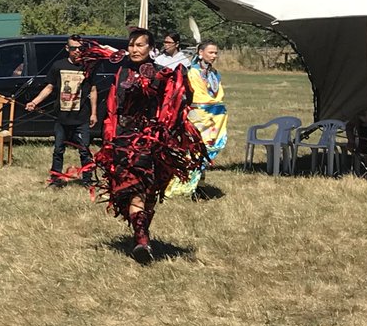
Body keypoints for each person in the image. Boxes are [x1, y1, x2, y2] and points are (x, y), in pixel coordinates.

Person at [84, 28, 205, 263]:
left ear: (151, 48)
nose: (134, 49)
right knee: (133, 191)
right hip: (123, 141)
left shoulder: (162, 74)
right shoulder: (121, 72)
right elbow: (113, 108)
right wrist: (108, 139)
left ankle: (142, 236)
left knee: (148, 194)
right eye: (131, 45)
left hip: (152, 143)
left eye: (140, 45)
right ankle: (142, 241)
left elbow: (176, 103)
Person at [25, 34, 99, 188]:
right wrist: (34, 102)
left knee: (84, 150)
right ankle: (56, 178)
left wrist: (94, 113)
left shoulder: (88, 67)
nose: (77, 51)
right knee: (58, 149)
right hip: (62, 116)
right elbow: (49, 87)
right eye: (73, 48)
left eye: (81, 48)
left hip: (81, 117)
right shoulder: (58, 66)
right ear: (67, 49)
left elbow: (92, 90)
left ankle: (87, 180)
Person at [167, 40, 227, 199]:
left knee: (207, 152)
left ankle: (199, 186)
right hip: (198, 117)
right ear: (200, 53)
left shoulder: (214, 73)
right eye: (211, 52)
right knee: (194, 151)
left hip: (216, 117)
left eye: (216, 53)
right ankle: (184, 187)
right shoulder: (191, 72)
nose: (214, 55)